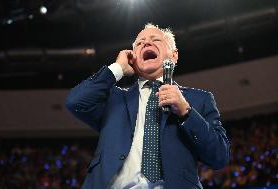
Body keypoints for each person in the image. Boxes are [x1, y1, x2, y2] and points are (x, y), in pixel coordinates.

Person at [66, 23, 230, 189]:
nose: (146, 43)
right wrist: (117, 69)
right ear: (133, 57)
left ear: (174, 55)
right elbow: (75, 102)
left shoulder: (199, 100)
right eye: (139, 43)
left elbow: (219, 157)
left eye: (155, 39)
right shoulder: (113, 99)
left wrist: (186, 113)